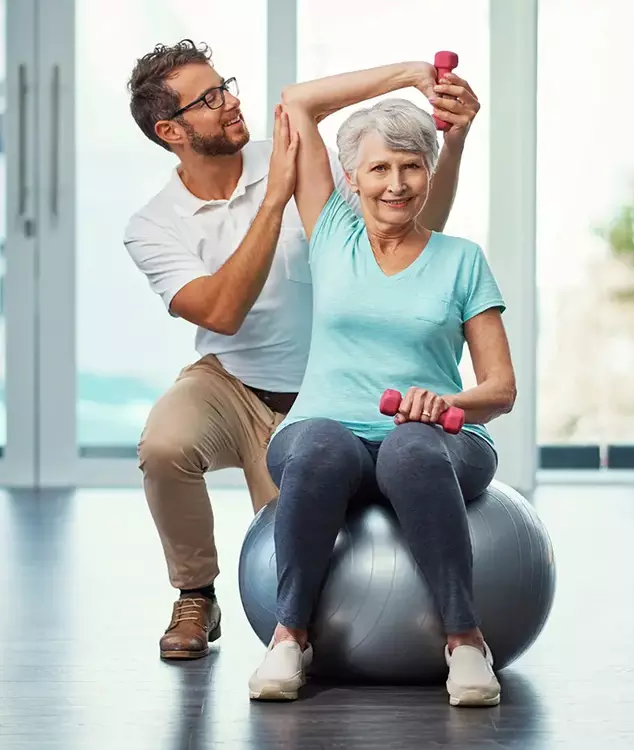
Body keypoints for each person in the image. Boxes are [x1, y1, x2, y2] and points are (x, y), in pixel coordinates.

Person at [123, 40, 482, 660]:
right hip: (230, 379)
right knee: (164, 443)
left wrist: (415, 81)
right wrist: (272, 200)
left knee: (312, 545)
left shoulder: (292, 158)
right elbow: (220, 312)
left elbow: (414, 221)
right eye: (207, 100)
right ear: (170, 130)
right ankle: (195, 595)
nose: (230, 102)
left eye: (224, 85)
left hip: (322, 396)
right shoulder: (154, 223)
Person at [246, 62, 516, 707]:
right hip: (326, 430)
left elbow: (500, 388)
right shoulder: (333, 232)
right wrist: (409, 76)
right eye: (379, 168)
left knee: (410, 447)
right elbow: (297, 101)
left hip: (439, 441)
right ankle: (290, 636)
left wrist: (444, 402)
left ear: (430, 171)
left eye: (411, 166)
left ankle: (465, 642)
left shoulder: (461, 259)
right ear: (352, 179)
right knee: (317, 447)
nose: (396, 184)